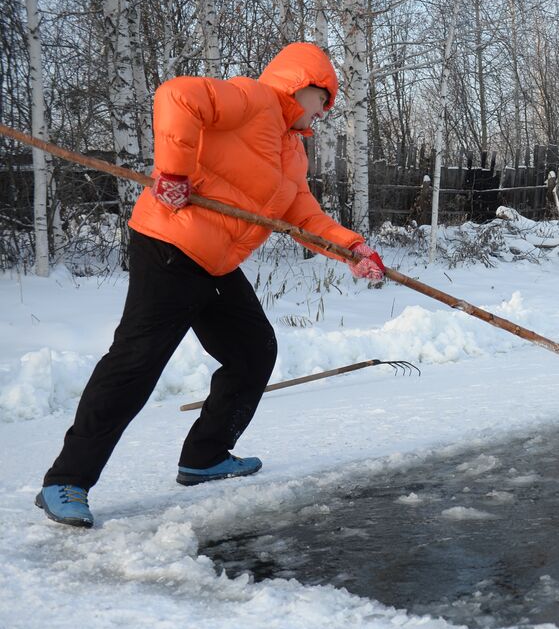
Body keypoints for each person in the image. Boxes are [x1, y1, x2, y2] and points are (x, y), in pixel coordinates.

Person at [34, 42, 386, 528]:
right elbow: (178, 96)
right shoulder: (253, 100)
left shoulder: (291, 150)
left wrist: (353, 249)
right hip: (170, 245)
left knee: (252, 351)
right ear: (304, 85)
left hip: (216, 264)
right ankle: (66, 480)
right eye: (323, 100)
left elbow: (302, 214)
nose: (324, 112)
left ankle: (204, 456)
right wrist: (174, 173)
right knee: (136, 363)